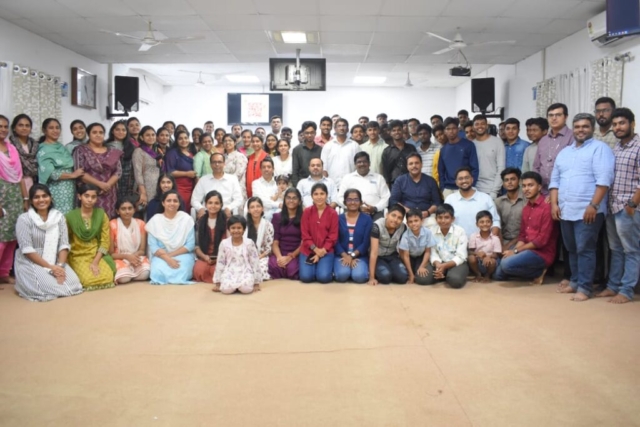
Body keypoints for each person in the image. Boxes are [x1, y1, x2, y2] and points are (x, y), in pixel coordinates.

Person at [551, 113, 615, 301]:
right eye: (578, 126)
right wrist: (554, 204)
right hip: (566, 210)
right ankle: (574, 282)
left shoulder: (600, 149)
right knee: (571, 248)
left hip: (588, 210)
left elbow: (604, 180)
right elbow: (555, 180)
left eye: (585, 126)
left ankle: (585, 288)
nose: (581, 130)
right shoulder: (565, 152)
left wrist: (594, 205)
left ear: (592, 128)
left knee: (585, 249)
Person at [596, 108, 640, 304]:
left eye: (622, 123)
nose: (618, 127)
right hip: (613, 206)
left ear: (632, 124)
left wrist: (632, 204)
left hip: (628, 208)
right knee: (615, 249)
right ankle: (613, 286)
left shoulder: (638, 147)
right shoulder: (617, 147)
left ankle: (626, 290)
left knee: (631, 250)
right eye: (615, 124)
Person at [14, 184, 83, 301]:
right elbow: (27, 249)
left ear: (50, 198)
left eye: (44, 196)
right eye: (36, 197)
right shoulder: (24, 219)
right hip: (31, 260)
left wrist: (60, 267)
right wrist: (50, 267)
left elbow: (64, 244)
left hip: (54, 259)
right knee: (48, 286)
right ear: (31, 201)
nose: (41, 200)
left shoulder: (59, 217)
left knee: (74, 284)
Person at [494, 171, 558, 284]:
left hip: (541, 253)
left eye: (530, 185)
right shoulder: (526, 208)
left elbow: (541, 241)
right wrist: (514, 252)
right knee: (497, 274)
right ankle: (527, 270)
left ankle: (539, 271)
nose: (526, 189)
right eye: (524, 186)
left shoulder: (547, 207)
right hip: (526, 249)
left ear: (539, 187)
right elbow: (522, 235)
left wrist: (515, 251)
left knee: (506, 265)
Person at [66, 184, 116, 291]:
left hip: (96, 254)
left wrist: (95, 262)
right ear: (79, 196)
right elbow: (65, 241)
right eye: (86, 196)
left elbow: (105, 241)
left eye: (93, 197)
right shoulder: (70, 217)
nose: (90, 200)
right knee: (88, 281)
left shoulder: (101, 215)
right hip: (78, 256)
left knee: (107, 278)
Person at [0, 115, 29, 283]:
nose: (3, 129)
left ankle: (4, 273)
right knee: (1, 238)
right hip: (1, 196)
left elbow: (20, 176)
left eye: (5, 126)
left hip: (15, 197)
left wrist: (25, 198)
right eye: (0, 126)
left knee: (12, 236)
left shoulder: (11, 149)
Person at [146, 190, 196, 285]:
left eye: (175, 201)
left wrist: (171, 255)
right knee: (157, 272)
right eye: (169, 201)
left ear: (179, 203)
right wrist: (167, 259)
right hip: (161, 256)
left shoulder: (186, 219)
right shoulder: (155, 220)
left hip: (183, 254)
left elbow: (190, 245)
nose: (172, 203)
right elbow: (153, 246)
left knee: (181, 270)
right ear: (163, 203)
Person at [73, 123, 122, 218]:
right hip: (89, 193)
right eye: (94, 132)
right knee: (90, 219)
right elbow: (80, 172)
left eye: (101, 132)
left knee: (108, 219)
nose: (98, 135)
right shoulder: (81, 150)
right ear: (88, 134)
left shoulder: (113, 151)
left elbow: (118, 171)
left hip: (109, 193)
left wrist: (107, 185)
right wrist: (100, 184)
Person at [36, 118, 84, 215]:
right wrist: (72, 175)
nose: (55, 130)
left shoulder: (61, 147)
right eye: (51, 128)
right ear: (44, 130)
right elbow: (50, 173)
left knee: (71, 216)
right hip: (56, 190)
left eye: (57, 128)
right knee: (58, 217)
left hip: (70, 189)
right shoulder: (43, 149)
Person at [445, 167, 501, 238]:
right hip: (457, 242)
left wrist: (488, 241)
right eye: (460, 179)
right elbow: (445, 222)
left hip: (482, 243)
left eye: (467, 178)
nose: (464, 181)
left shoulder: (486, 198)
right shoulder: (450, 199)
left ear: (472, 179)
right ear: (456, 182)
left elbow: (495, 222)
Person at [299, 183, 339, 284]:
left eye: (322, 193)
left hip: (326, 250)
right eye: (316, 194)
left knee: (323, 277)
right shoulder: (307, 212)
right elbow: (305, 235)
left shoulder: (333, 213)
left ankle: (324, 268)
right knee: (306, 277)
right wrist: (315, 249)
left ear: (327, 195)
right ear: (312, 196)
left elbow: (333, 236)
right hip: (308, 249)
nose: (319, 197)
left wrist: (322, 251)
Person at [213, 215, 262, 294]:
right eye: (233, 228)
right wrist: (218, 282)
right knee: (226, 290)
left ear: (244, 229)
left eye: (239, 228)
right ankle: (233, 286)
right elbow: (220, 262)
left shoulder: (249, 243)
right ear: (229, 229)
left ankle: (240, 286)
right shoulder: (224, 243)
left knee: (246, 289)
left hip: (246, 270)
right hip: (229, 271)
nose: (236, 230)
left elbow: (255, 262)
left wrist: (256, 282)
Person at [533, 103, 574, 195]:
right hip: (542, 192)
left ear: (566, 117)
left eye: (558, 115)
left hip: (564, 192)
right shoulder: (543, 140)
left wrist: (555, 193)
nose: (554, 118)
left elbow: (573, 167)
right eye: (551, 115)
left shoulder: (573, 137)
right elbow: (536, 166)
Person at [390, 153, 442, 226]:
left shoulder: (431, 181)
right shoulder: (400, 181)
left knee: (435, 224)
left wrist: (428, 212)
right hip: (406, 215)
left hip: (426, 216)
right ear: (407, 166)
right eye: (411, 164)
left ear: (421, 164)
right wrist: (408, 211)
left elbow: (437, 202)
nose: (414, 166)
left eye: (416, 163)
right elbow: (394, 201)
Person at [425, 204, 469, 289]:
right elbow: (433, 252)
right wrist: (438, 264)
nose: (443, 221)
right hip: (439, 262)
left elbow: (461, 256)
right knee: (423, 279)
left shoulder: (460, 231)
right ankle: (442, 274)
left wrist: (444, 266)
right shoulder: (431, 231)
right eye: (440, 217)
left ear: (453, 219)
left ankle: (447, 274)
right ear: (436, 219)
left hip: (455, 263)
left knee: (455, 281)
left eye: (446, 217)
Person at [109, 197, 150, 284]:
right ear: (117, 211)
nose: (127, 211)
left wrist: (133, 257)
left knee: (145, 273)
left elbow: (142, 250)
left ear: (134, 210)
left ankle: (131, 272)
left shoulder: (141, 223)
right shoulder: (112, 224)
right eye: (123, 209)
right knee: (124, 278)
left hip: (137, 256)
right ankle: (129, 273)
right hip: (120, 258)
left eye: (130, 208)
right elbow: (111, 254)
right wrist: (127, 257)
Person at [333, 189, 372, 284]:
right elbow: (335, 240)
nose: (353, 202)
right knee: (342, 275)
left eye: (356, 200)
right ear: (344, 202)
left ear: (361, 202)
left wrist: (352, 256)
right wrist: (345, 256)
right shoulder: (338, 218)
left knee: (359, 277)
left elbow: (366, 243)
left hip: (359, 256)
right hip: (342, 255)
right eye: (349, 200)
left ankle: (355, 269)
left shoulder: (367, 219)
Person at [338, 152, 390, 221]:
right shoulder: (347, 178)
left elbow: (386, 197)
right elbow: (340, 197)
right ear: (355, 164)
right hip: (352, 211)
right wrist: (354, 207)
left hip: (374, 213)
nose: (362, 164)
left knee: (378, 225)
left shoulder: (379, 178)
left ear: (369, 164)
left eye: (365, 162)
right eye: (359, 162)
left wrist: (375, 208)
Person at [192, 152, 243, 219]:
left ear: (224, 164)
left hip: (225, 213)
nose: (217, 164)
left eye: (219, 162)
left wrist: (229, 207)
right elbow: (194, 200)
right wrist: (200, 208)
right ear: (210, 164)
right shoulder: (203, 180)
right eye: (214, 162)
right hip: (208, 213)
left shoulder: (232, 179)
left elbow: (238, 199)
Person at [438, 117, 479, 198]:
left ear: (458, 129)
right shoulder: (443, 149)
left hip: (465, 187)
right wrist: (443, 188)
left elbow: (474, 168)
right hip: (448, 189)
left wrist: (471, 185)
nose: (451, 131)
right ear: (445, 131)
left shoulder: (468, 145)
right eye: (448, 129)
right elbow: (441, 171)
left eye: (453, 128)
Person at [368, 204, 408, 285]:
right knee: (385, 277)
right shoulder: (377, 226)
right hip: (378, 256)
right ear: (387, 215)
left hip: (392, 255)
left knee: (403, 277)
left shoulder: (403, 227)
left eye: (399, 218)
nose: (395, 220)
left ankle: (390, 270)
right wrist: (371, 278)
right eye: (393, 215)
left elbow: (402, 250)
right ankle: (379, 271)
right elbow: (374, 252)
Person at [268, 188, 303, 280]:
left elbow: (304, 242)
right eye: (288, 198)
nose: (291, 200)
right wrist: (279, 257)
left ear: (299, 201)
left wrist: (291, 256)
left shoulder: (304, 217)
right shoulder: (277, 217)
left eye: (294, 198)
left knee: (292, 270)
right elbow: (275, 241)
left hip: (296, 252)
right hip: (280, 251)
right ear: (284, 200)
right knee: (275, 266)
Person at [193, 191, 227, 283]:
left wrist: (217, 258)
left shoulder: (227, 222)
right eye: (210, 203)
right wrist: (204, 257)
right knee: (199, 271)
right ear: (205, 204)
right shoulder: (200, 222)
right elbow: (196, 246)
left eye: (216, 203)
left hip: (222, 257)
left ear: (221, 205)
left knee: (218, 271)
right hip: (205, 257)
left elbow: (230, 245)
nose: (213, 206)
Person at [398, 208, 437, 285]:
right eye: (410, 222)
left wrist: (422, 266)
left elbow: (427, 252)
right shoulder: (405, 235)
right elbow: (405, 256)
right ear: (407, 223)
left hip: (421, 257)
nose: (413, 224)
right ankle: (412, 272)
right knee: (402, 276)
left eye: (416, 221)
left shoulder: (427, 232)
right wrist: (411, 275)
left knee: (421, 274)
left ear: (422, 221)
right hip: (409, 257)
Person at [321, 118, 361, 188]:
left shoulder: (355, 146)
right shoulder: (328, 146)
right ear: (335, 129)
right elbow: (324, 168)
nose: (341, 128)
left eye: (344, 126)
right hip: (333, 186)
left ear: (348, 129)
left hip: (351, 186)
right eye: (339, 126)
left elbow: (359, 165)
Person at [472, 115, 505, 198]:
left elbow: (501, 168)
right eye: (477, 124)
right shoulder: (471, 144)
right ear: (473, 127)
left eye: (482, 123)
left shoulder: (497, 142)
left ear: (487, 126)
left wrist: (494, 191)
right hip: (475, 190)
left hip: (492, 189)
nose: (480, 126)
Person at [106, 120, 138, 203]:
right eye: (117, 130)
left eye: (123, 130)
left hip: (128, 182)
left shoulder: (131, 147)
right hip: (111, 181)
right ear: (112, 131)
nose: (121, 132)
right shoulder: (106, 146)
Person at [132, 126, 161, 214]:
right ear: (141, 137)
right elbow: (138, 173)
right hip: (145, 188)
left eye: (153, 135)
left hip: (156, 188)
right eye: (147, 135)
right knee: (145, 213)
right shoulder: (139, 151)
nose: (151, 137)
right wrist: (143, 192)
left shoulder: (156, 152)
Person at [166, 129, 196, 212]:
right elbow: (170, 172)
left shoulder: (191, 154)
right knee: (181, 209)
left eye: (186, 138)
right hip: (179, 187)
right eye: (180, 138)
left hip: (191, 187)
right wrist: (186, 174)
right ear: (177, 140)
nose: (184, 140)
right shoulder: (172, 153)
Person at [468, 211, 502, 282]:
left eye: (488, 222)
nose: (485, 224)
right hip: (478, 260)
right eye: (482, 222)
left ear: (491, 223)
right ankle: (478, 274)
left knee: (492, 262)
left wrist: (488, 257)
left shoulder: (495, 238)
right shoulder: (473, 236)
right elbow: (470, 251)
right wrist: (477, 253)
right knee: (471, 258)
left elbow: (497, 254)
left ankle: (487, 276)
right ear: (477, 224)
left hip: (490, 260)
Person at [245, 197, 274, 281]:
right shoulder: (244, 224)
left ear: (262, 208)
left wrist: (258, 257)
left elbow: (268, 249)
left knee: (259, 269)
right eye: (252, 207)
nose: (255, 209)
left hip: (261, 256)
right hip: (245, 255)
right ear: (248, 210)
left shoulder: (268, 225)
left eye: (258, 206)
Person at [381, 120, 417, 188]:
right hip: (394, 185)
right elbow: (386, 172)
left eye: (399, 130)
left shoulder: (411, 148)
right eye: (394, 130)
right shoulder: (387, 151)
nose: (397, 132)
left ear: (403, 131)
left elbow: (416, 165)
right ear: (390, 133)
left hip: (411, 183)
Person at [495, 167, 524, 249]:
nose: (509, 182)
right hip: (503, 241)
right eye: (506, 180)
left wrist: (508, 245)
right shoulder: (498, 202)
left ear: (519, 181)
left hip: (523, 241)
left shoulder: (527, 200)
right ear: (503, 184)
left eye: (513, 179)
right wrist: (501, 246)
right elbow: (497, 226)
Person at [9, 114, 38, 193]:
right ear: (14, 128)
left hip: (34, 182)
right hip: (15, 183)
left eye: (27, 125)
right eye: (20, 125)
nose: (24, 128)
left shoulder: (35, 145)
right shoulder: (10, 145)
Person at [292, 121, 322, 187]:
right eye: (307, 133)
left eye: (312, 133)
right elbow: (295, 171)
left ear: (315, 133)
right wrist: (297, 187)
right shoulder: (297, 150)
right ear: (303, 133)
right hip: (302, 184)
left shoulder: (320, 149)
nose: (309, 135)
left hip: (318, 184)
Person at [223, 133, 248, 200]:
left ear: (235, 142)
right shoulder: (222, 157)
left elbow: (238, 174)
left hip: (236, 188)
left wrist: (225, 182)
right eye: (225, 141)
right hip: (223, 188)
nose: (227, 143)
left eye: (230, 140)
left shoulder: (240, 156)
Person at [246, 134, 268, 198]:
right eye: (253, 141)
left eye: (257, 141)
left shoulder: (267, 156)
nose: (255, 143)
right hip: (249, 189)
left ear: (262, 143)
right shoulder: (249, 157)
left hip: (263, 189)